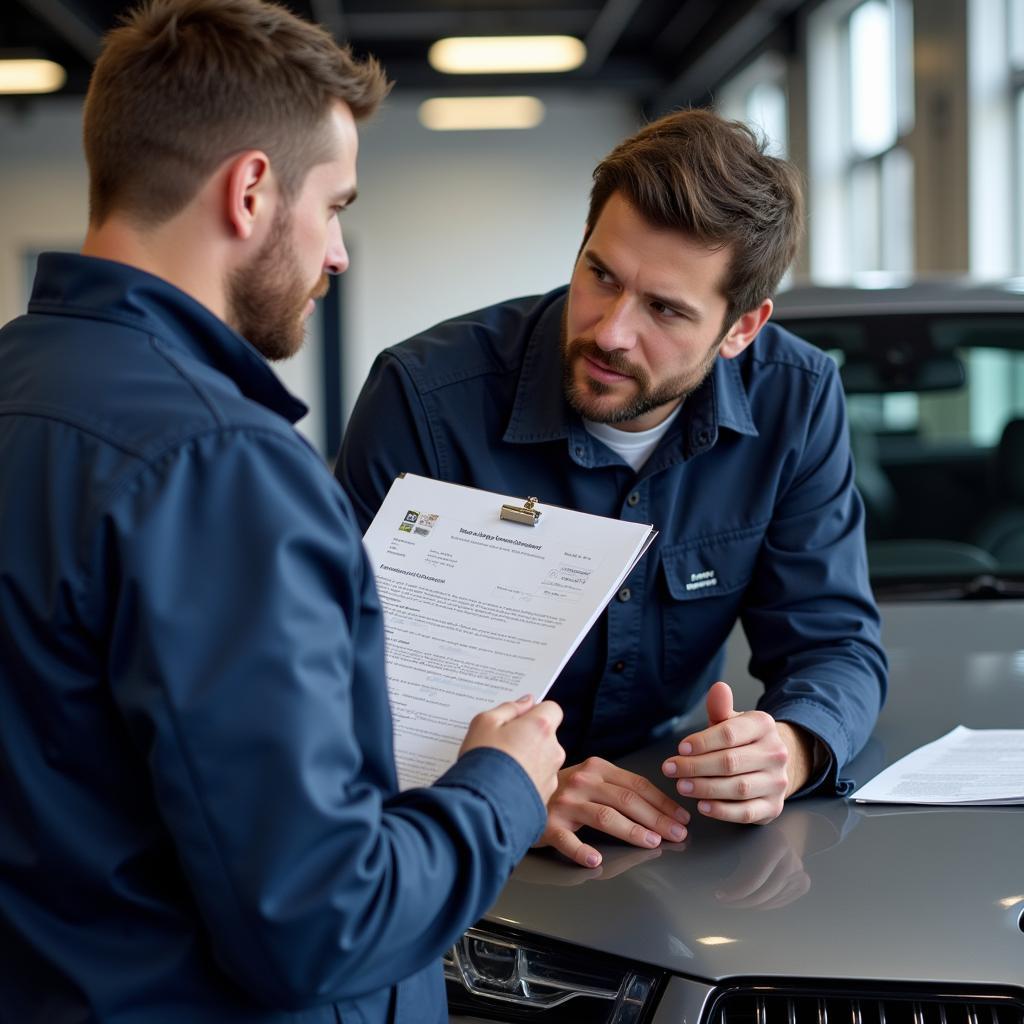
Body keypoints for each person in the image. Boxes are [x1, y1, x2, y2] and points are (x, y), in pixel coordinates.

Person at [0, 1, 566, 1021]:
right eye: (336, 204)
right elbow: (321, 921)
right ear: (252, 190)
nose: (338, 252)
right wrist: (502, 785)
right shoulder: (221, 467)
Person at [338, 108, 887, 868]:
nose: (610, 332)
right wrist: (506, 789)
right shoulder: (425, 399)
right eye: (600, 276)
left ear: (740, 329)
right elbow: (335, 680)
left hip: (668, 836)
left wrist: (790, 747)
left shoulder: (796, 398)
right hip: (448, 837)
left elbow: (834, 641)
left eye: (664, 309)